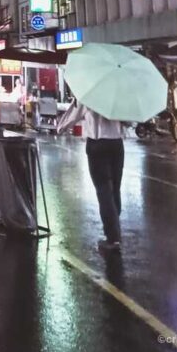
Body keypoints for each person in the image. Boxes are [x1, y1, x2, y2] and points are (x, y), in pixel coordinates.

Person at [57, 99, 124, 253]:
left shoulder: (89, 93)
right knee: (115, 189)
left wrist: (60, 127)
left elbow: (74, 112)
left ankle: (113, 237)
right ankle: (115, 230)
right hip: (116, 144)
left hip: (97, 143)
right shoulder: (117, 93)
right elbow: (128, 120)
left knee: (104, 189)